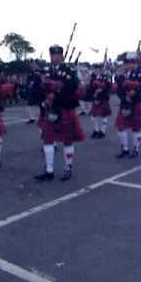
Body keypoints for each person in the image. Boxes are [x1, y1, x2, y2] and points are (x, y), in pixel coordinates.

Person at [35, 45, 85, 182]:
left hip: (65, 108)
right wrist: (46, 97)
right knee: (47, 140)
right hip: (52, 109)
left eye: (56, 55)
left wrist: (55, 96)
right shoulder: (49, 71)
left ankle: (68, 167)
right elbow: (43, 88)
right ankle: (49, 170)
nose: (53, 58)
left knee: (67, 141)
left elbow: (72, 89)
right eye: (51, 55)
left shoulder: (69, 70)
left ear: (62, 56)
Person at [114, 52, 141, 158]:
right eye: (127, 63)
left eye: (131, 63)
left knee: (136, 128)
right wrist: (124, 97)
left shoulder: (139, 73)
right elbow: (118, 89)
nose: (129, 65)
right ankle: (125, 149)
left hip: (136, 102)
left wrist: (135, 93)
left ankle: (136, 149)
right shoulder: (120, 75)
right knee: (120, 127)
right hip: (125, 103)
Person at [89, 63, 112, 139]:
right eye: (95, 69)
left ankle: (103, 131)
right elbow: (90, 88)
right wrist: (94, 95)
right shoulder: (92, 78)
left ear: (101, 70)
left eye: (97, 69)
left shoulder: (105, 77)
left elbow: (109, 87)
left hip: (103, 98)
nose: (96, 70)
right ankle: (96, 130)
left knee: (103, 115)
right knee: (93, 116)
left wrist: (101, 90)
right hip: (95, 99)